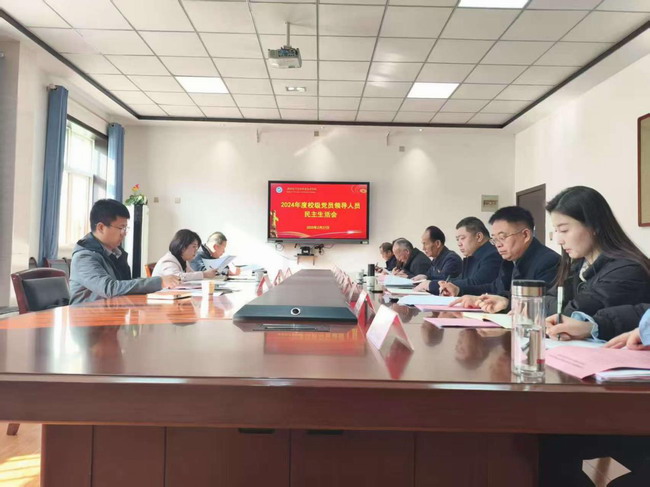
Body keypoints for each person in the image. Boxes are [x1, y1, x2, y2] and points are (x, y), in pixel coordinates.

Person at [542, 186, 650, 328]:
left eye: (564, 230)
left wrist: (547, 305)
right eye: (556, 230)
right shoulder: (579, 266)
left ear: (594, 226)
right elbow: (546, 299)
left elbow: (571, 314)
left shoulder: (627, 270)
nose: (559, 240)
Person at [441, 206, 560, 310]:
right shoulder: (510, 260)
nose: (498, 245)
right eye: (495, 239)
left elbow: (542, 306)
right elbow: (495, 288)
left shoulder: (548, 261)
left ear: (525, 235)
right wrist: (459, 290)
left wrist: (506, 303)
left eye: (502, 237)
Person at [69, 199, 179, 304]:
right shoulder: (84, 257)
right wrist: (159, 282)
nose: (124, 233)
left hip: (114, 311)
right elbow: (109, 288)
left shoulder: (116, 253)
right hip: (86, 314)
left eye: (126, 228)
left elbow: (125, 285)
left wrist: (161, 283)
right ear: (101, 227)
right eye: (121, 228)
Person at [414, 217, 500, 294]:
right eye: (457, 239)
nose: (459, 243)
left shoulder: (493, 255)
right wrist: (430, 282)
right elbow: (460, 280)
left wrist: (433, 285)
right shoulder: (474, 256)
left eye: (462, 238)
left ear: (479, 237)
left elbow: (476, 283)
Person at [152, 229, 218, 282]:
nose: (196, 250)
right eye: (194, 246)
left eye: (197, 247)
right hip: (162, 294)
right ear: (183, 247)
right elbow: (177, 277)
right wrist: (204, 274)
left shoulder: (183, 260)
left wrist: (206, 274)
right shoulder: (168, 260)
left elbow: (190, 275)